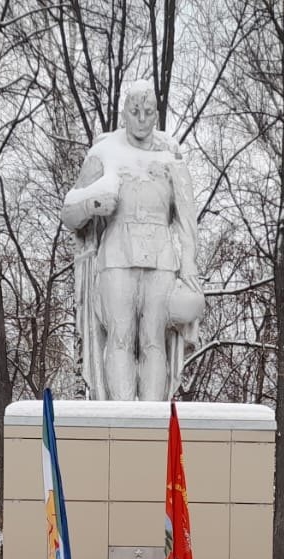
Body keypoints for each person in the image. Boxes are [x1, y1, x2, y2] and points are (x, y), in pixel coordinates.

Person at [60, 79, 203, 401]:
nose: (141, 119)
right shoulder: (104, 153)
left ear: (156, 114)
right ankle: (121, 413)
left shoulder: (170, 156)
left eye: (148, 112)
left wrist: (190, 267)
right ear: (124, 112)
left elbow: (186, 218)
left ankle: (152, 417)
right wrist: (91, 205)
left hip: (161, 255)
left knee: (154, 338)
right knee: (120, 336)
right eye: (135, 111)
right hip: (116, 254)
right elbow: (69, 213)